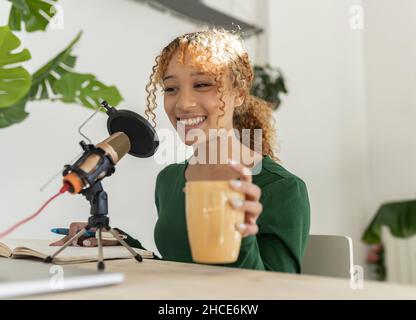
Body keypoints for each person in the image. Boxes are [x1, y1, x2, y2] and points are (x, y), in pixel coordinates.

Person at [51, 28, 310, 273]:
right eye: (171, 88)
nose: (183, 104)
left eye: (202, 85)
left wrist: (238, 237)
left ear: (239, 94)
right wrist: (120, 242)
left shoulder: (282, 189)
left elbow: (274, 293)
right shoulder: (169, 180)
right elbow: (182, 266)